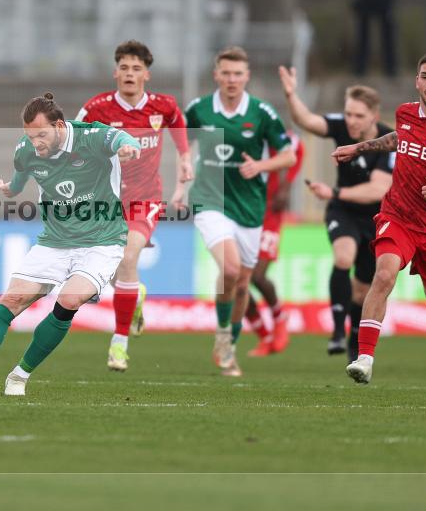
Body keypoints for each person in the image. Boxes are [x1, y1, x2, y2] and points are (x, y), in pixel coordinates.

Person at [0, 92, 141, 396]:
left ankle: (19, 376)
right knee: (11, 301)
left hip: (102, 241)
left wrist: (128, 147)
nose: (36, 143)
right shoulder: (27, 149)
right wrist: (12, 188)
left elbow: (124, 139)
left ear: (60, 126)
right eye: (30, 136)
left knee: (69, 301)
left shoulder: (91, 137)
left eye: (42, 135)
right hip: (55, 241)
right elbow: (22, 173)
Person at [333, 51, 426, 384]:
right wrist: (358, 148)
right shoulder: (404, 113)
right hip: (397, 215)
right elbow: (398, 140)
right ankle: (365, 359)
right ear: (417, 80)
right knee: (384, 275)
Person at [174, 47, 295, 377]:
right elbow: (181, 142)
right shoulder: (199, 109)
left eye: (237, 74)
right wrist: (182, 177)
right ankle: (224, 335)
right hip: (210, 199)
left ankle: (228, 343)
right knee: (229, 268)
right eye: (225, 73)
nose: (231, 79)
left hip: (250, 206)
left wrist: (261, 165)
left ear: (247, 77)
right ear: (216, 75)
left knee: (242, 284)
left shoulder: (262, 113)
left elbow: (287, 156)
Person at [75, 40, 192, 371]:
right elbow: (73, 139)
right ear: (115, 72)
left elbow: (178, 122)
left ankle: (119, 344)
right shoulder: (96, 108)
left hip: (145, 198)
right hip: (106, 200)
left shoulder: (161, 106)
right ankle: (134, 297)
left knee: (128, 255)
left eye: (136, 68)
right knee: (117, 269)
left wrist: (184, 158)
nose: (129, 73)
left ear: (147, 75)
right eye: (124, 68)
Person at [279, 67, 394, 361]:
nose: (351, 121)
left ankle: (355, 336)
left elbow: (378, 189)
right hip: (343, 211)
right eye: (348, 114)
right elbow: (306, 120)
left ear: (373, 115)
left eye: (358, 116)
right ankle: (337, 332)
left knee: (362, 291)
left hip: (376, 218)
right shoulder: (341, 126)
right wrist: (292, 93)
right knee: (343, 257)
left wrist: (334, 192)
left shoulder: (387, 141)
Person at [245, 132, 304, 357]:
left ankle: (279, 318)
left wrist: (287, 184)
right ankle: (265, 337)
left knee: (256, 275)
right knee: (231, 283)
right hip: (242, 211)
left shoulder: (269, 130)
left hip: (268, 212)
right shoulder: (228, 136)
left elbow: (298, 146)